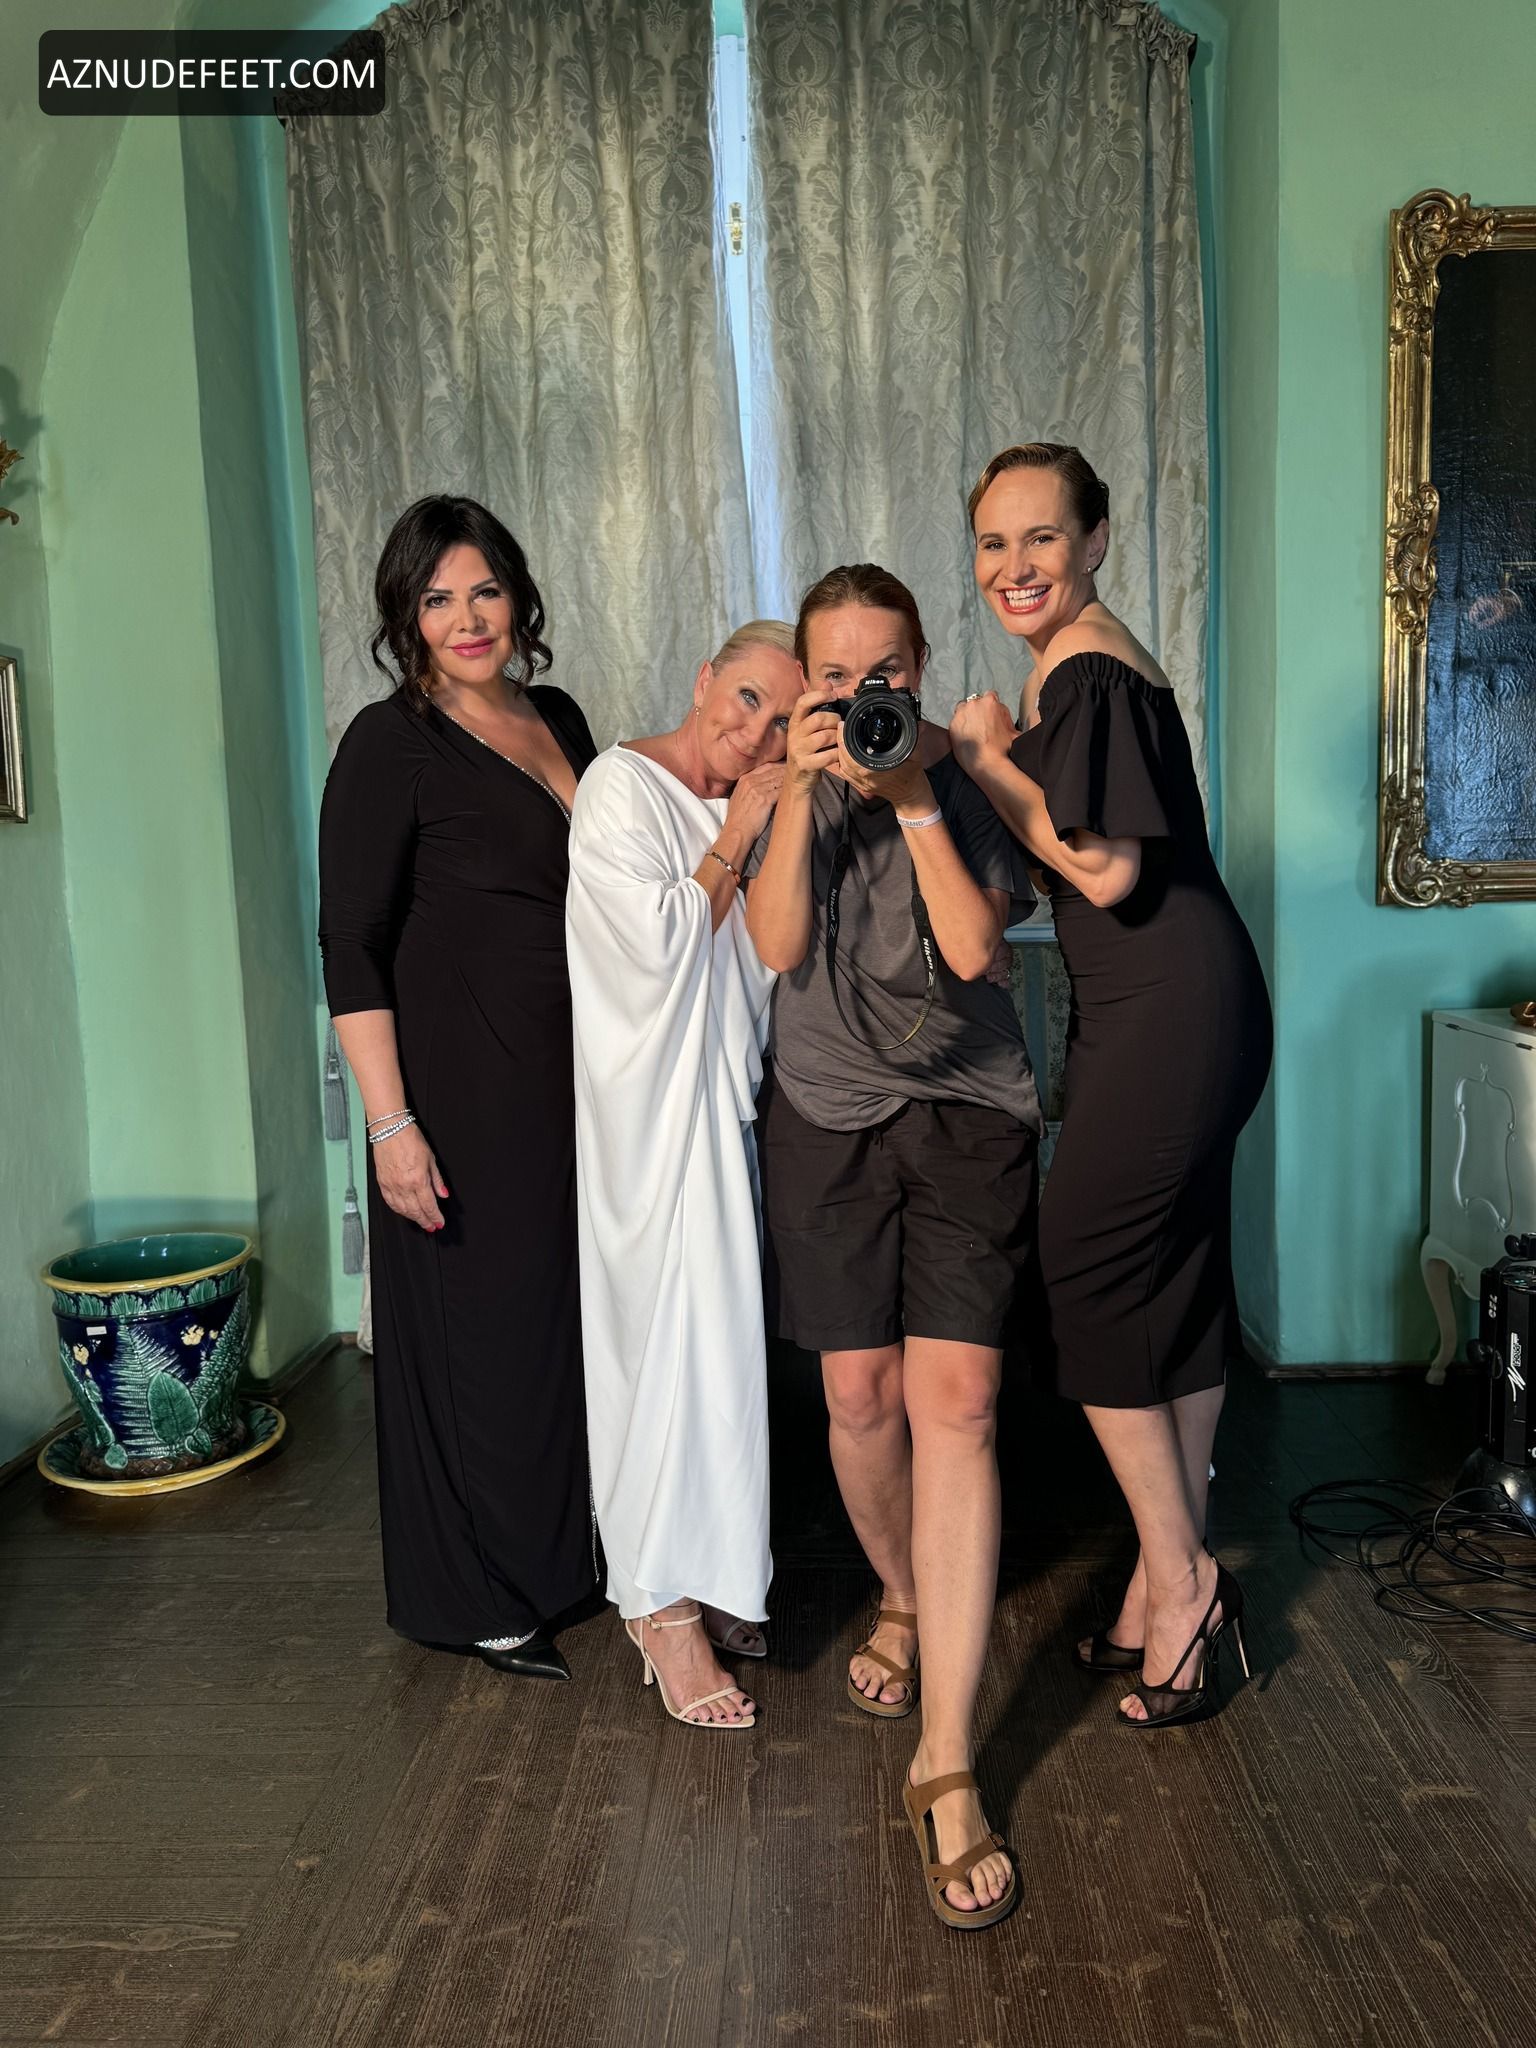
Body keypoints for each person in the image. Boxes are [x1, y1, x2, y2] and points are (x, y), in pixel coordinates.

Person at [950, 442, 1273, 1729]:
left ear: (1094, 539)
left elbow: (1104, 872)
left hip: (1168, 1007)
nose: (1014, 565)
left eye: (1042, 536)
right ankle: (1159, 1575)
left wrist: (987, 757)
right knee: (1173, 1284)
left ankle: (1184, 1580)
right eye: (993, 542)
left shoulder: (1082, 667)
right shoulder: (1088, 661)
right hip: (1181, 1001)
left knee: (1087, 1269)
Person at [745, 565, 1040, 1930]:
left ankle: (948, 1754)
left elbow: (977, 950)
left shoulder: (964, 771)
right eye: (834, 677)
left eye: (884, 677)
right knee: (859, 1395)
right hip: (826, 1111)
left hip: (968, 1107)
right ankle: (908, 1594)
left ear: (918, 667)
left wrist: (914, 787)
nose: (860, 698)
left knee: (958, 1400)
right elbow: (777, 941)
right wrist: (802, 791)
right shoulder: (794, 781)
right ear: (806, 682)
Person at [318, 495, 598, 1682]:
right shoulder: (388, 744)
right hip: (454, 1095)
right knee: (473, 1339)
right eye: (438, 598)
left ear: (518, 594)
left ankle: (562, 1558)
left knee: (556, 1331)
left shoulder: (559, 715)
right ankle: (473, 1591)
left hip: (570, 1087)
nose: (468, 617)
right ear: (406, 615)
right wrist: (391, 1123)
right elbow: (350, 943)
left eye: (485, 590)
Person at [566, 622, 802, 1729]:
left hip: (715, 1108)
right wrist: (738, 833)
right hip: (643, 1119)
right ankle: (657, 1604)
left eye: (782, 720)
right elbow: (654, 949)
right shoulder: (619, 786)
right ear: (704, 679)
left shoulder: (754, 805)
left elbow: (762, 961)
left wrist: (762, 827)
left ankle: (712, 1569)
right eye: (746, 697)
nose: (754, 731)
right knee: (657, 1344)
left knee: (720, 1348)